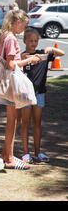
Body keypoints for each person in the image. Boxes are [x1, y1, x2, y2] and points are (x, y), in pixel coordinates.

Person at [0, 10, 41, 170]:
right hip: (11, 84)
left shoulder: (4, 36)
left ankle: (6, 154)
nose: (24, 28)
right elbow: (11, 65)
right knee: (13, 121)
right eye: (24, 24)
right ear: (17, 22)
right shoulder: (12, 38)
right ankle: (9, 159)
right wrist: (28, 60)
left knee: (13, 120)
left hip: (5, 84)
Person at [19, 28, 65, 164]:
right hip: (25, 94)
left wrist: (51, 48)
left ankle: (38, 152)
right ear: (25, 41)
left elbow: (61, 53)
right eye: (31, 41)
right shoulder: (23, 56)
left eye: (36, 41)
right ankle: (26, 153)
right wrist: (24, 60)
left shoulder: (43, 54)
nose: (33, 43)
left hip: (40, 93)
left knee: (37, 123)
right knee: (25, 123)